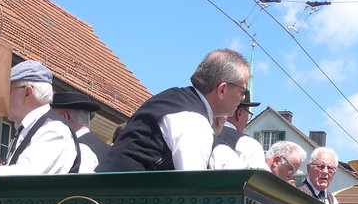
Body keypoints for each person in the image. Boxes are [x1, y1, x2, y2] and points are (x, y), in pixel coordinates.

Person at [97, 49, 250, 172]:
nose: (243, 97)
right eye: (242, 90)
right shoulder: (192, 121)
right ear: (222, 90)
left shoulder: (175, 98)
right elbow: (193, 187)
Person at [0, 61, 80, 176]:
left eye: (7, 91)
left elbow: (26, 175)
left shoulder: (54, 130)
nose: (3, 98)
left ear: (27, 93)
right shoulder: (28, 129)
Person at [51, 92, 108, 173]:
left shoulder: (81, 150)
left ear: (64, 117)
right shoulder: (103, 148)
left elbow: (76, 184)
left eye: (51, 117)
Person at [209, 93, 267, 170]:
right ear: (239, 113)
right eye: (248, 115)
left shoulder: (199, 134)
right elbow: (259, 180)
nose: (247, 120)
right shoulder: (248, 144)